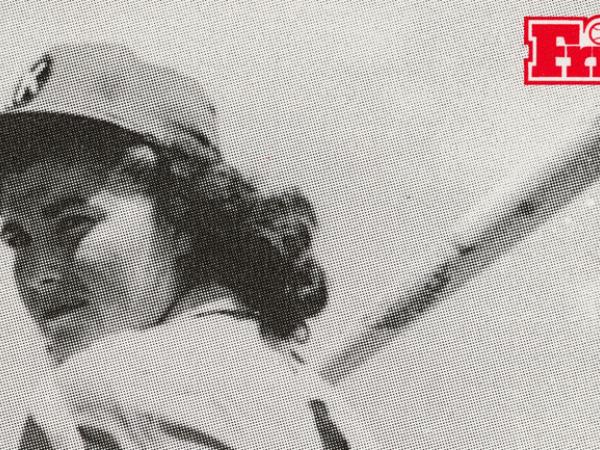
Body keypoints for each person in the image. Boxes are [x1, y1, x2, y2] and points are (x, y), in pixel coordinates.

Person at [1, 43, 373, 449]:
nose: (39, 274)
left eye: (74, 224)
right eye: (18, 239)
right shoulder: (304, 388)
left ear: (182, 217)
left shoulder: (90, 397)